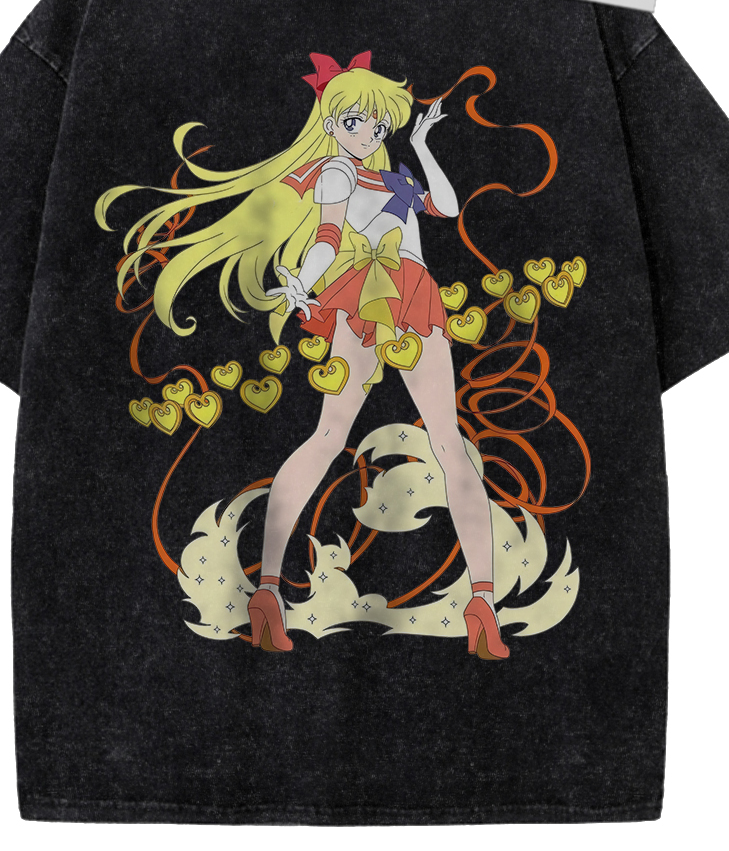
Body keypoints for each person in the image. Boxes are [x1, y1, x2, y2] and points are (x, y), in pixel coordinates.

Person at [97, 52, 511, 659]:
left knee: (428, 440)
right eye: (354, 121)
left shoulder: (393, 175)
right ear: (331, 121)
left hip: (411, 296)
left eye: (377, 124)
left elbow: (446, 207)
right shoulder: (335, 173)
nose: (366, 133)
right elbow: (326, 236)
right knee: (341, 437)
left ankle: (480, 602)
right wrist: (304, 283)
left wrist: (423, 144)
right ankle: (269, 588)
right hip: (370, 295)